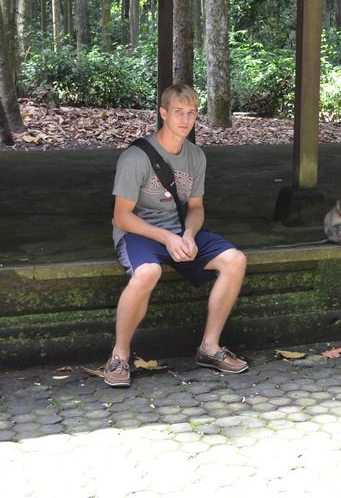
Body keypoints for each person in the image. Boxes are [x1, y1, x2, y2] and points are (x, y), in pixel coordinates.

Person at [104, 83, 248, 387]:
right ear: (163, 113)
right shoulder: (135, 158)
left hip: (180, 230)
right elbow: (121, 217)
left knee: (235, 260)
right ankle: (119, 355)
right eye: (178, 112)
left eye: (191, 113)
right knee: (148, 272)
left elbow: (196, 207)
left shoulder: (196, 157)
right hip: (139, 232)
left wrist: (190, 234)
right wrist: (167, 238)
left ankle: (209, 348)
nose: (185, 120)